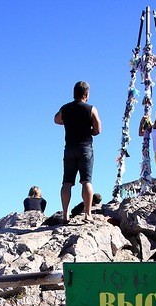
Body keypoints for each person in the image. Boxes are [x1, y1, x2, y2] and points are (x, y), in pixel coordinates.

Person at [55, 81, 102, 222]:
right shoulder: (91, 109)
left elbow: (56, 120)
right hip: (85, 147)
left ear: (74, 93)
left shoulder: (65, 108)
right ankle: (88, 214)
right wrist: (89, 130)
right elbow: (98, 130)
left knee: (67, 183)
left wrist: (68, 123)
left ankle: (65, 214)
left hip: (69, 148)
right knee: (86, 181)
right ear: (86, 94)